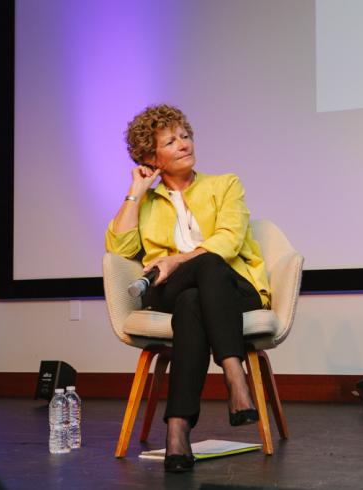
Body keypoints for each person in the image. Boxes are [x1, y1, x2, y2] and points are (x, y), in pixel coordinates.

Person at [105, 104, 271, 473]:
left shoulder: (225, 184)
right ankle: (234, 376)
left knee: (202, 280)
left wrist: (176, 260)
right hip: (167, 291)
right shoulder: (146, 202)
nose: (184, 144)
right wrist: (136, 190)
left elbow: (228, 242)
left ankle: (177, 431)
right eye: (170, 141)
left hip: (231, 288)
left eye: (186, 135)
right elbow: (119, 250)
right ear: (151, 157)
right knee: (193, 286)